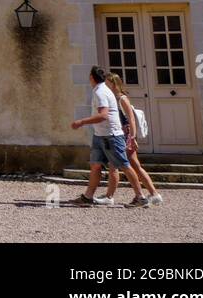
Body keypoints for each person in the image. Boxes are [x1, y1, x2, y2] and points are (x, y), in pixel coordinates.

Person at [70, 65, 148, 207]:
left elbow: (103, 115)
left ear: (92, 78)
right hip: (100, 135)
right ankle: (88, 197)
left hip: (111, 136)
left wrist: (81, 122)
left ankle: (140, 197)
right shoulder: (101, 90)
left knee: (124, 165)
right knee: (95, 165)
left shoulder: (101, 92)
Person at [107, 72, 164, 207]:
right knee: (127, 165)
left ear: (114, 84)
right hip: (120, 134)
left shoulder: (121, 98)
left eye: (107, 83)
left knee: (128, 165)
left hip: (125, 135)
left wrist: (132, 137)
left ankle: (145, 195)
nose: (105, 86)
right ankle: (152, 194)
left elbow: (131, 119)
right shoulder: (112, 98)